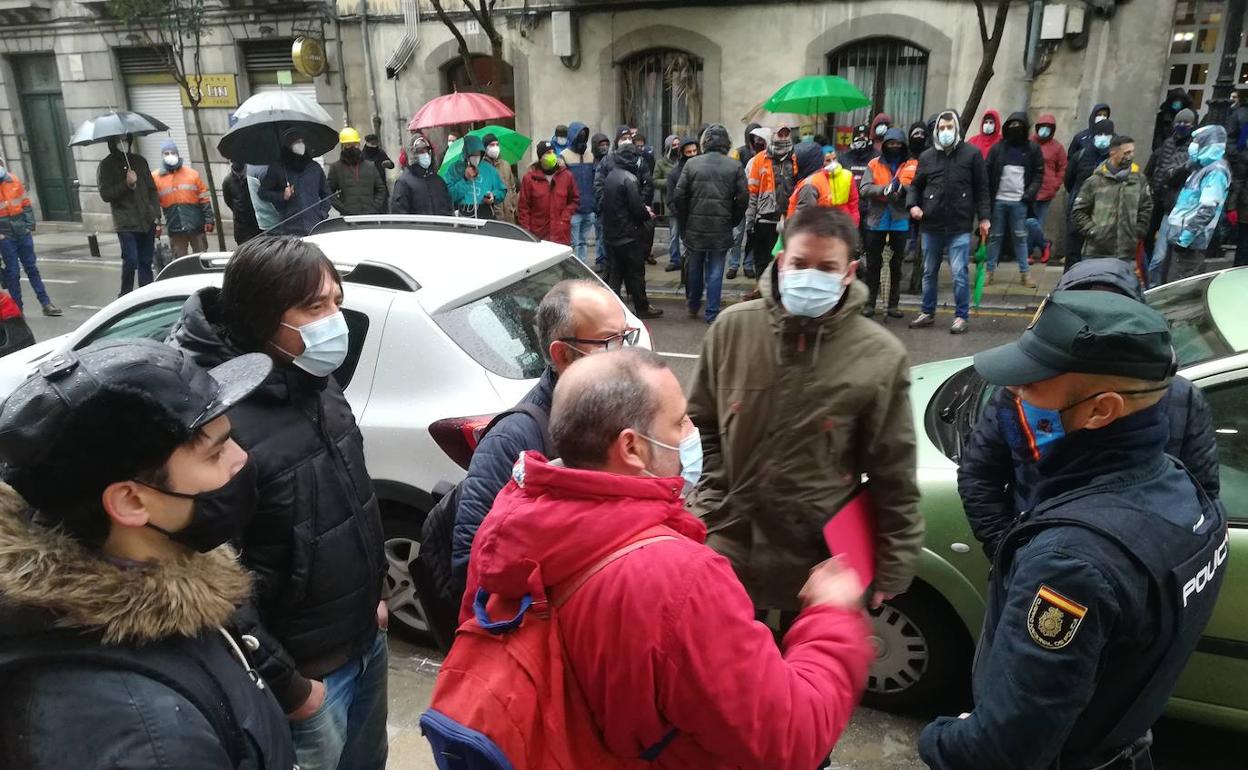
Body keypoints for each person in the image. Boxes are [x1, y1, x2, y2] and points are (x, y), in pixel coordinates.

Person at [460, 347, 875, 769]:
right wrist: (831, 614)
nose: (690, 432)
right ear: (632, 447)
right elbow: (790, 737)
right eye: (678, 422)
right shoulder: (680, 580)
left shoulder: (509, 523)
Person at [919, 290, 1228, 770]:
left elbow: (1002, 751)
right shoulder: (1183, 489)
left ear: (1100, 410)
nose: (1015, 395)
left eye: (1031, 385)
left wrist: (938, 738)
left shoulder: (1070, 564)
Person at [0, 338, 297, 770]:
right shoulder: (141, 735)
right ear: (131, 502)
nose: (241, 459)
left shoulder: (174, 571)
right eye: (215, 453)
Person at [168, 237, 388, 770]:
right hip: (305, 681)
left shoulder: (314, 379)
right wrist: (290, 687)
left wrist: (375, 597)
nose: (334, 320)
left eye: (336, 301)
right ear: (262, 316)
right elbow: (209, 578)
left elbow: (352, 497)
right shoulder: (217, 421)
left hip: (366, 641)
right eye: (314, 307)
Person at [687, 206, 923, 619]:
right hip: (728, 549)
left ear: (848, 272)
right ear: (781, 262)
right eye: (799, 264)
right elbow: (701, 425)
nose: (810, 276)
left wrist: (892, 566)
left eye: (827, 267)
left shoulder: (880, 356)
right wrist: (712, 500)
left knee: (811, 660)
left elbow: (893, 471)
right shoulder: (731, 329)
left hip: (818, 565)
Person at [958, 257, 1220, 561]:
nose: (1093, 326)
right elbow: (980, 475)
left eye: (1111, 316)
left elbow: (1200, 494)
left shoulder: (1182, 399)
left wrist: (1146, 568)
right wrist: (1011, 552)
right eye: (1078, 314)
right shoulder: (1022, 394)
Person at [452, 279, 632, 589]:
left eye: (625, 337)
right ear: (562, 354)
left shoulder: (620, 404)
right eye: (608, 341)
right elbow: (471, 561)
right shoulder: (512, 440)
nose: (623, 353)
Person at [907, 110, 991, 335]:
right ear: (936, 131)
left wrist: (984, 217)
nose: (945, 132)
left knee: (959, 274)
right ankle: (927, 312)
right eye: (941, 128)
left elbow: (982, 188)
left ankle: (961, 316)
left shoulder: (972, 154)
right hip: (931, 224)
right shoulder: (927, 157)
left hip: (959, 225)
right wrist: (912, 205)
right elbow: (915, 186)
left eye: (949, 127)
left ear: (957, 129)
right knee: (928, 271)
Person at [674, 124, 748, 324]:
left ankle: (693, 304)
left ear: (704, 143)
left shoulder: (692, 164)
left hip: (695, 226)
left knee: (695, 267)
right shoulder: (734, 166)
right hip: (721, 226)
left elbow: (679, 196)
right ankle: (712, 312)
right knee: (716, 270)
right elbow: (743, 198)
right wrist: (733, 219)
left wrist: (685, 220)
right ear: (726, 143)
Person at [1151, 124, 1230, 285]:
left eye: (1197, 142)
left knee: (1178, 288)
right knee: (1167, 283)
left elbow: (1207, 210)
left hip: (1189, 244)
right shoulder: (1199, 167)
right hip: (1177, 237)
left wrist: (1185, 239)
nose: (1193, 146)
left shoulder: (1216, 172)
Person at [601, 139, 662, 320]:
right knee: (636, 273)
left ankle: (611, 307)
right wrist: (647, 213)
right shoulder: (630, 179)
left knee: (616, 272)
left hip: (612, 234)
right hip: (629, 234)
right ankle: (642, 307)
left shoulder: (611, 176)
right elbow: (637, 208)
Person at [860, 128, 915, 317]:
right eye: (891, 144)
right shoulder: (874, 164)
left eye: (898, 144)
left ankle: (893, 305)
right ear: (884, 145)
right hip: (877, 219)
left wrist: (903, 189)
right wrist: (884, 189)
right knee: (873, 264)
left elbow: (917, 187)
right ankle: (870, 303)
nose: (894, 147)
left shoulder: (912, 164)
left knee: (896, 265)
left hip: (900, 219)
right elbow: (864, 189)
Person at [1071, 134, 1153, 262]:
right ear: (1113, 153)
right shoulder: (1095, 181)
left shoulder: (1139, 180)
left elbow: (1146, 207)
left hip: (1126, 253)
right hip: (1096, 252)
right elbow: (1078, 211)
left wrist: (1138, 231)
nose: (1130, 156)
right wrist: (1094, 232)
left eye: (1132, 152)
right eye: (1126, 153)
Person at [984, 112, 1043, 288]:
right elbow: (987, 172)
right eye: (1012, 125)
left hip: (1020, 202)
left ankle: (1025, 274)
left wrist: (1029, 194)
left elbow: (1039, 173)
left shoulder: (1032, 149)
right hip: (999, 200)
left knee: (1020, 237)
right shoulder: (998, 149)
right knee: (995, 237)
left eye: (1019, 125)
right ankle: (989, 272)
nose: (1015, 129)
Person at [98, 133, 161, 295]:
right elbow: (106, 194)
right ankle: (125, 294)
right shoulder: (106, 166)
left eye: (125, 139)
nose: (123, 143)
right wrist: (126, 184)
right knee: (131, 260)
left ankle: (146, 295)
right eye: (119, 140)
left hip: (146, 220)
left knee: (146, 261)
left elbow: (152, 189)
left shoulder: (140, 161)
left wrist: (155, 213)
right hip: (126, 222)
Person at [0, 157, 59, 315]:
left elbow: (25, 204)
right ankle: (17, 309)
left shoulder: (13, 181)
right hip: (5, 236)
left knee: (31, 268)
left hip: (21, 232)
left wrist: (29, 226)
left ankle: (46, 303)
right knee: (13, 273)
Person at [744, 124, 797, 297]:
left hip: (787, 218)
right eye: (780, 134)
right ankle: (761, 290)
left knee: (783, 259)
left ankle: (779, 293)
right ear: (773, 136)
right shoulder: (760, 159)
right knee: (762, 258)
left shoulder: (795, 157)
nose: (783, 138)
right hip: (764, 216)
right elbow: (752, 191)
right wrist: (750, 219)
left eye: (786, 134)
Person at [1063, 119, 1116, 269]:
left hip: (1103, 213)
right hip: (1079, 210)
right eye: (1099, 134)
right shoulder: (1080, 156)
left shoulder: (1115, 160)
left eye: (1106, 134)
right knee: (1073, 251)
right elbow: (1069, 180)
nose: (1103, 137)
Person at [259, 128, 332, 237]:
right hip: (290, 228)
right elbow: (263, 192)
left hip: (314, 226)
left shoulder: (314, 167)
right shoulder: (278, 168)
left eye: (302, 141)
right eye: (297, 142)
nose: (301, 145)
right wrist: (282, 196)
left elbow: (326, 194)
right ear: (289, 145)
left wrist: (322, 214)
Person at [1145, 108, 1196, 260]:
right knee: (1148, 235)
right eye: (1179, 122)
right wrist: (1151, 186)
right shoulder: (1167, 144)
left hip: (1173, 201)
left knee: (1163, 246)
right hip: (1157, 198)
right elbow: (1151, 169)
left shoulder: (1193, 148)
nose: (1182, 125)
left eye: (1186, 123)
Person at [151, 139, 213, 258]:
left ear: (178, 154)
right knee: (179, 261)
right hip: (175, 227)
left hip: (196, 225)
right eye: (166, 153)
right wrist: (156, 224)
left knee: (201, 258)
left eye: (173, 152)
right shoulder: (155, 178)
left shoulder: (192, 174)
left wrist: (209, 219)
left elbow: (204, 199)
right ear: (162, 156)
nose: (170, 155)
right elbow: (154, 204)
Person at [518, 141, 579, 245]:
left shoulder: (567, 176)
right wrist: (527, 232)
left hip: (560, 234)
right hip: (538, 235)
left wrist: (565, 216)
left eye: (553, 152)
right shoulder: (529, 179)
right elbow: (524, 208)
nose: (551, 155)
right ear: (540, 157)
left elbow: (574, 200)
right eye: (547, 153)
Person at [1027, 114, 1068, 266]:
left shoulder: (1057, 147)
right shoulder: (1029, 143)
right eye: (1042, 127)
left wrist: (1056, 183)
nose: (1045, 130)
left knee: (1039, 222)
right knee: (1030, 223)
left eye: (1048, 127)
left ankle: (1028, 252)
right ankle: (1045, 245)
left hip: (1047, 191)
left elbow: (1063, 167)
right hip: (1030, 189)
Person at [727, 122, 766, 279]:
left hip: (756, 202)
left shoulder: (766, 155)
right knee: (736, 235)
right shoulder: (738, 153)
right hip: (741, 200)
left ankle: (748, 264)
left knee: (752, 235)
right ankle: (733, 264)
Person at [789, 142, 860, 223]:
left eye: (834, 158)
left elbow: (853, 201)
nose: (832, 163)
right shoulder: (819, 178)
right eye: (828, 160)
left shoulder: (847, 175)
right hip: (828, 222)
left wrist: (854, 221)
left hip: (842, 220)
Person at [560, 122, 598, 264]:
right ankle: (573, 268)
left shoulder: (590, 156)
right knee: (573, 244)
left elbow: (595, 181)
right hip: (573, 209)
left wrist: (594, 204)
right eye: (579, 135)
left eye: (584, 135)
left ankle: (582, 266)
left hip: (588, 208)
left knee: (583, 242)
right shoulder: (563, 156)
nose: (582, 137)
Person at [328, 127, 387, 217]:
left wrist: (374, 208)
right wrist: (344, 209)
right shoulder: (336, 168)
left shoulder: (370, 166)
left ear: (359, 145)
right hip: (348, 218)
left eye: (355, 144)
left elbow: (381, 189)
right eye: (348, 145)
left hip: (370, 217)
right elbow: (329, 192)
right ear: (343, 146)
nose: (352, 147)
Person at [445, 134, 506, 219]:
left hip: (485, 212)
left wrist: (493, 196)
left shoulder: (489, 169)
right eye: (473, 154)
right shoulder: (455, 169)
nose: (476, 157)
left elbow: (501, 190)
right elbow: (449, 195)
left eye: (479, 154)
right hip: (465, 214)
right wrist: (465, 180)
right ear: (466, 154)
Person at [391, 135, 452, 216]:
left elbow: (448, 208)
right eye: (421, 152)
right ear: (413, 154)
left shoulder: (439, 181)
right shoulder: (403, 183)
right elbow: (399, 214)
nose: (426, 155)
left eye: (427, 151)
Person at [665, 136, 700, 273]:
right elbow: (670, 198)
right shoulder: (674, 173)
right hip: (679, 214)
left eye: (694, 151)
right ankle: (676, 261)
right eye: (688, 152)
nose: (692, 154)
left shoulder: (701, 169)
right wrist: (679, 213)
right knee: (675, 237)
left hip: (696, 214)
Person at [843, 122, 878, 251]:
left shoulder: (877, 157)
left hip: (871, 208)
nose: (861, 140)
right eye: (858, 137)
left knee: (871, 245)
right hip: (851, 208)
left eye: (864, 136)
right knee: (851, 246)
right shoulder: (844, 158)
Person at [482, 132, 519, 223]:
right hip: (493, 218)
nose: (495, 147)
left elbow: (512, 188)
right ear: (485, 148)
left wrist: (513, 206)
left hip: (509, 216)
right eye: (492, 145)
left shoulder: (505, 165)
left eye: (497, 144)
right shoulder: (481, 168)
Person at [223, 160, 260, 245]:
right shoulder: (227, 181)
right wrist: (238, 210)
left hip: (256, 225)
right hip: (241, 227)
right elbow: (228, 200)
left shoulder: (252, 177)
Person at [590, 131, 612, 274]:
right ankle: (600, 260)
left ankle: (608, 260)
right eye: (601, 145)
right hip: (597, 205)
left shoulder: (611, 160)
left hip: (608, 203)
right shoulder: (591, 163)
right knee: (600, 235)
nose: (604, 147)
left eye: (606, 144)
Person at [1153, 87, 1196, 152]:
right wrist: (1159, 151)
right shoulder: (1162, 116)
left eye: (1180, 100)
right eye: (1175, 100)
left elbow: (1192, 135)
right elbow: (1158, 136)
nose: (1177, 102)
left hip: (1182, 151)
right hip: (1164, 150)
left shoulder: (1190, 116)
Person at [361, 133, 395, 200]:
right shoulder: (362, 156)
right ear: (367, 142)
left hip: (382, 190)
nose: (374, 146)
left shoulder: (380, 152)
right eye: (372, 143)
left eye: (375, 143)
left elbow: (391, 165)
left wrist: (389, 163)